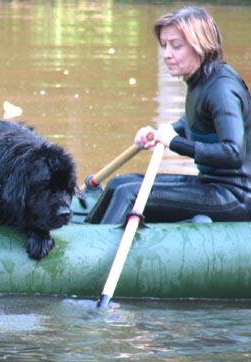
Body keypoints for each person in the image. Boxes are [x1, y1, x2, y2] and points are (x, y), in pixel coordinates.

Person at [86, 6, 251, 224]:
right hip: (211, 184)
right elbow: (197, 122)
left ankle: (93, 250)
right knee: (120, 184)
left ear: (200, 45)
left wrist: (174, 142)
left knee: (129, 194)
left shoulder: (221, 90)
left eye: (176, 46)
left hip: (235, 196)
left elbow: (233, 153)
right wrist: (161, 133)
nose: (167, 54)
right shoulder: (200, 79)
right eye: (164, 45)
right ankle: (84, 232)